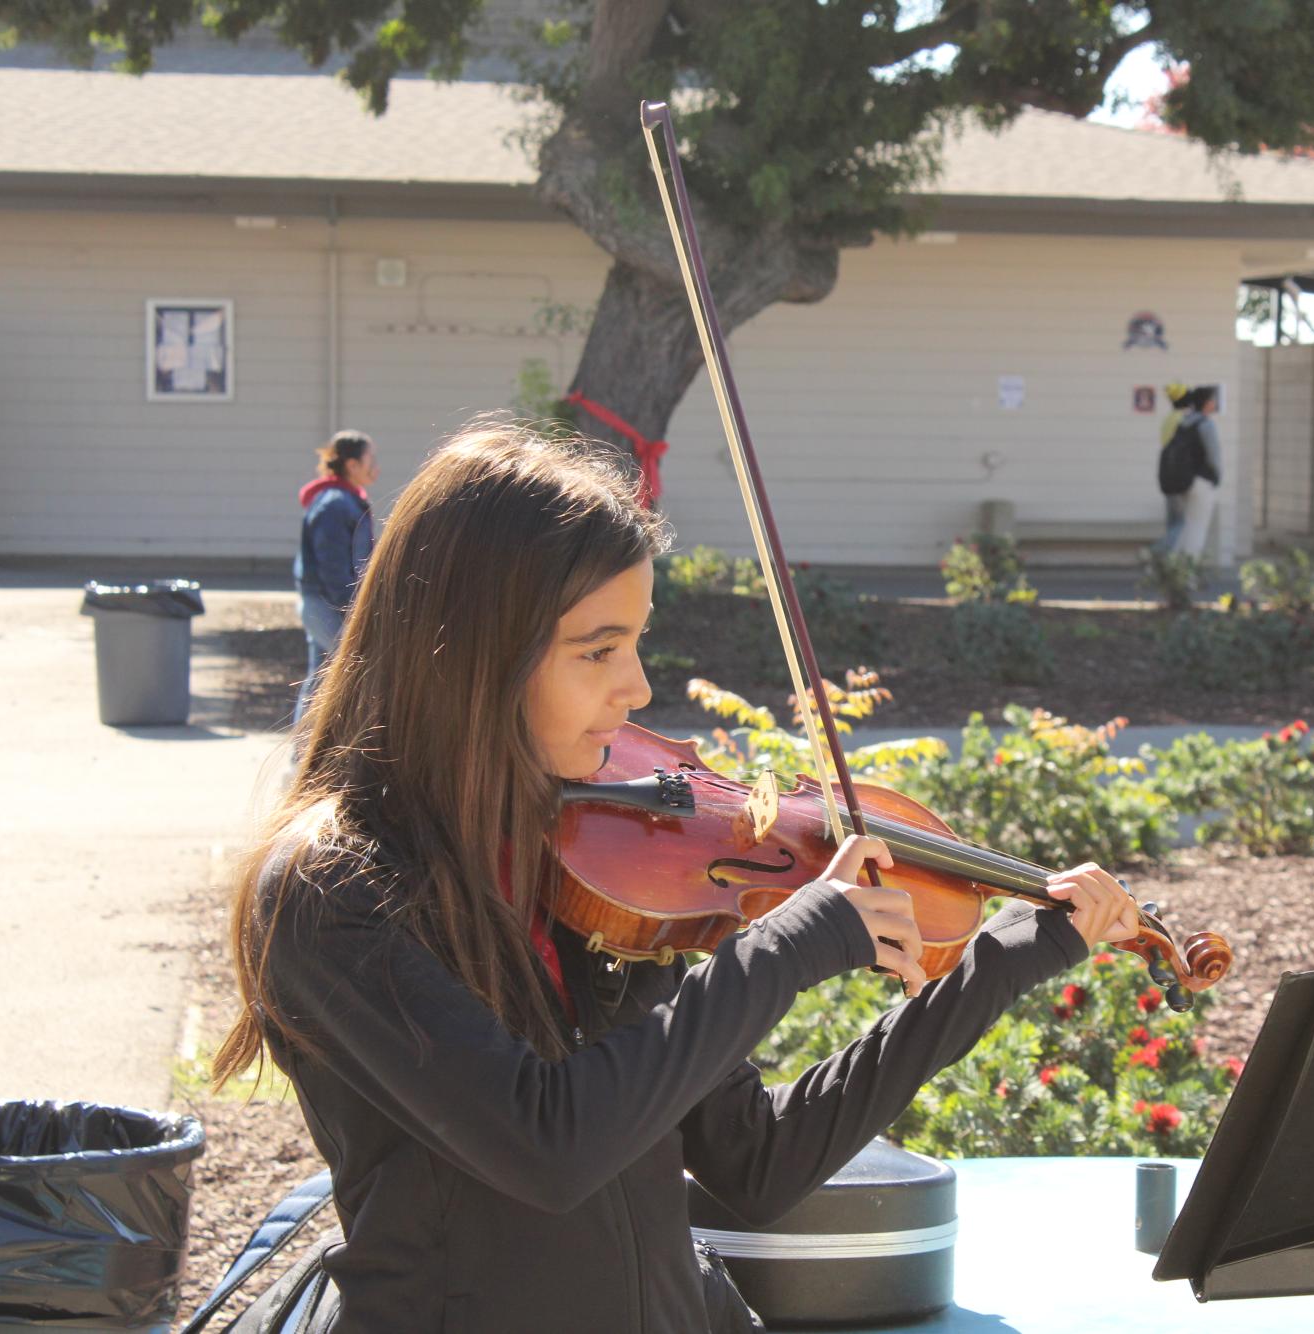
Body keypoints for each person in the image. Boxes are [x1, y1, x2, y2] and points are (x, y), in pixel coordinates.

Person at [213, 423, 1144, 1332]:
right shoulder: (333, 890)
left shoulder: (586, 865)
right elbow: (549, 1144)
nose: (637, 687)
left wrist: (1005, 959)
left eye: (635, 642)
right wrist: (793, 944)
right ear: (470, 653)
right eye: (598, 650)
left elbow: (761, 1160)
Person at [292, 430, 379, 733]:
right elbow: (332, 566)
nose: (375, 467)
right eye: (370, 459)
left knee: (320, 679)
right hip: (327, 605)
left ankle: (302, 759)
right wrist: (351, 608)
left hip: (324, 603)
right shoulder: (335, 504)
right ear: (352, 465)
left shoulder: (346, 500)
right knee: (361, 671)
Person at [1169, 386, 1221, 559]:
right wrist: (1217, 476)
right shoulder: (1206, 424)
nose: (1215, 403)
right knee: (1197, 529)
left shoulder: (1183, 423)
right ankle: (1188, 574)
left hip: (1182, 481)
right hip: (1202, 482)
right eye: (1212, 400)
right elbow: (1214, 456)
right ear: (1206, 403)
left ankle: (1172, 570)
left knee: (1185, 528)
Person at [1155, 382, 1194, 552]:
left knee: (1172, 522)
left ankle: (1167, 566)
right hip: (1180, 476)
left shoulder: (1168, 420)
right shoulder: (1183, 421)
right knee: (1181, 524)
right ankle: (1156, 552)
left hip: (1167, 476)